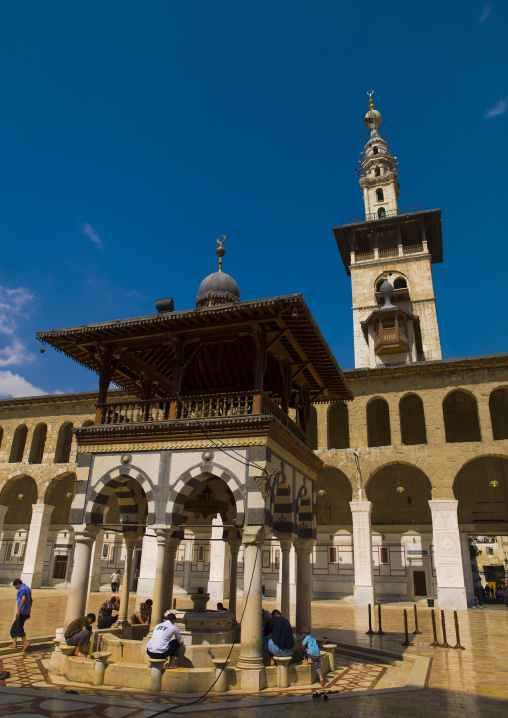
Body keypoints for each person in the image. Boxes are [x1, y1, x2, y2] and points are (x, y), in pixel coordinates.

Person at [9, 578, 32, 652]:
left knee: (18, 628)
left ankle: (25, 642)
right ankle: (14, 643)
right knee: (14, 628)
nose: (16, 588)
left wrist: (18, 611)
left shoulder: (21, 590)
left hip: (22, 611)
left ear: (17, 584)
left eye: (15, 586)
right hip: (26, 611)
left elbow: (24, 599)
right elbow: (31, 600)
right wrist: (29, 611)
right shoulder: (28, 588)